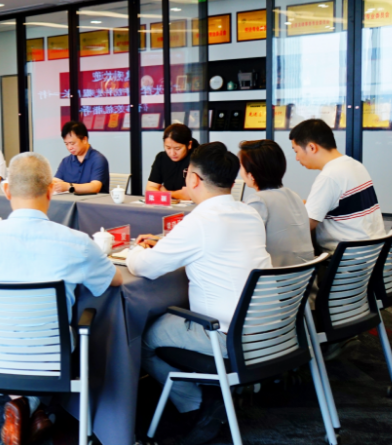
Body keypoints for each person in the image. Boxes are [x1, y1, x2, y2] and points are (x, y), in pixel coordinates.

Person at [0, 152, 122, 445]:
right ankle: (32, 406)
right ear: (51, 190)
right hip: (49, 357)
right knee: (63, 331)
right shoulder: (76, 242)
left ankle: (24, 405)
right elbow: (113, 280)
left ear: (6, 190)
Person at [128, 142, 272, 445]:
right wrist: (166, 243)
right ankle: (209, 395)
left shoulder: (200, 221)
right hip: (269, 332)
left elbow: (144, 267)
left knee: (139, 337)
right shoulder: (250, 214)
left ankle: (196, 403)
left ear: (193, 179)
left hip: (224, 337)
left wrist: (135, 251)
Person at [289, 118, 384, 254]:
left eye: (296, 151)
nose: (297, 158)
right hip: (374, 254)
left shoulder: (329, 176)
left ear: (312, 147)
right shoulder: (355, 165)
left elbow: (305, 225)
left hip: (348, 260)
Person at [237, 139, 315, 267]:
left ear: (251, 175)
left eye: (241, 166)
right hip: (303, 276)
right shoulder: (294, 196)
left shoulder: (259, 201)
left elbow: (243, 245)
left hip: (275, 276)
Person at [52, 121, 110, 195]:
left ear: (84, 140)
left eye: (72, 143)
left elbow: (95, 187)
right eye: (66, 144)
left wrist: (69, 186)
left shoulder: (98, 160)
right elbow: (55, 182)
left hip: (93, 201)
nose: (69, 147)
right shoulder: (66, 161)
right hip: (70, 201)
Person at [146, 123, 199, 201]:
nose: (172, 153)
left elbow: (187, 195)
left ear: (189, 144)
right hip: (168, 205)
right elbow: (150, 189)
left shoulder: (197, 159)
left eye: (177, 148)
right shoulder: (161, 158)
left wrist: (165, 192)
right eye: (168, 148)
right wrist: (175, 194)